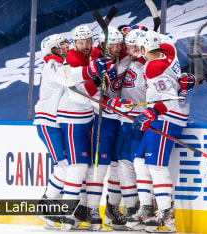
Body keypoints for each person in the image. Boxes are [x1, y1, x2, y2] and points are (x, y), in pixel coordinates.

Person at [128, 31, 196, 233]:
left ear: (143, 49)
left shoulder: (154, 66)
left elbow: (167, 101)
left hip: (166, 118)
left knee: (156, 166)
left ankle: (166, 215)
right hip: (162, 117)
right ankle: (147, 209)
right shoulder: (167, 54)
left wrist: (149, 113)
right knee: (139, 161)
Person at [57, 24, 112, 230]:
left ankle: (88, 210)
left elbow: (99, 59)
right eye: (82, 42)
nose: (86, 45)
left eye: (89, 41)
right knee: (78, 166)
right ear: (75, 43)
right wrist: (95, 74)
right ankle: (67, 212)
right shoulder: (71, 58)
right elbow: (78, 84)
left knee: (90, 168)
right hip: (72, 120)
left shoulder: (91, 54)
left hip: (87, 118)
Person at [84, 26, 129, 230]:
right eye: (113, 45)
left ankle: (112, 208)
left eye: (119, 44)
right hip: (101, 118)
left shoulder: (124, 56)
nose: (117, 48)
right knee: (99, 167)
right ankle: (91, 209)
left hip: (121, 118)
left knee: (118, 167)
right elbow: (91, 94)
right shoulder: (96, 63)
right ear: (103, 45)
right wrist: (111, 104)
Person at [108, 28, 148, 229]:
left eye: (133, 46)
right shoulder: (126, 62)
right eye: (128, 46)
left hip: (142, 122)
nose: (128, 50)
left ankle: (138, 208)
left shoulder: (150, 66)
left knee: (134, 166)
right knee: (123, 165)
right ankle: (128, 208)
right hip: (125, 121)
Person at [34, 33, 70, 229]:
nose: (67, 46)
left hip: (57, 123)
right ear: (54, 48)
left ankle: (52, 207)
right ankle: (45, 205)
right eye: (63, 44)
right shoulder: (53, 63)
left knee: (66, 167)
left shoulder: (57, 62)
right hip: (48, 123)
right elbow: (68, 80)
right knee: (64, 167)